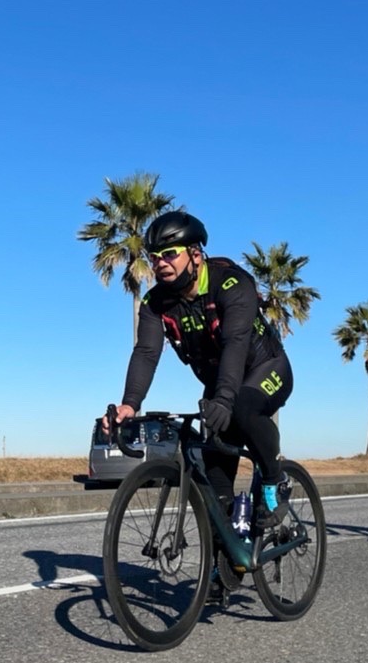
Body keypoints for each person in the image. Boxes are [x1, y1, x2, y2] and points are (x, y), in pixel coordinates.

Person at [105, 211, 292, 571]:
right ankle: (227, 567)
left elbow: (236, 342)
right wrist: (130, 405)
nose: (160, 263)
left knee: (242, 408)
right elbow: (146, 353)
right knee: (215, 474)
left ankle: (274, 480)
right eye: (154, 257)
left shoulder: (230, 283)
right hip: (220, 380)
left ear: (194, 254)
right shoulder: (155, 304)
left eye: (169, 254)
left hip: (265, 368)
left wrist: (223, 398)